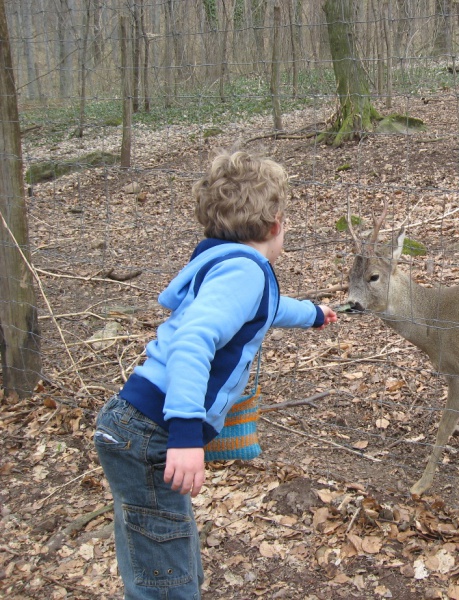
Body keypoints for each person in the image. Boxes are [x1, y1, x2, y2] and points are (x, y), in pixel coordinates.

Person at [94, 150, 337, 599]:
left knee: (157, 541)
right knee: (162, 572)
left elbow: (261, 311)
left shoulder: (225, 266)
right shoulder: (244, 273)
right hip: (156, 429)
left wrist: (313, 314)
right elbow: (193, 342)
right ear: (275, 225)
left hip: (135, 424)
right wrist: (185, 434)